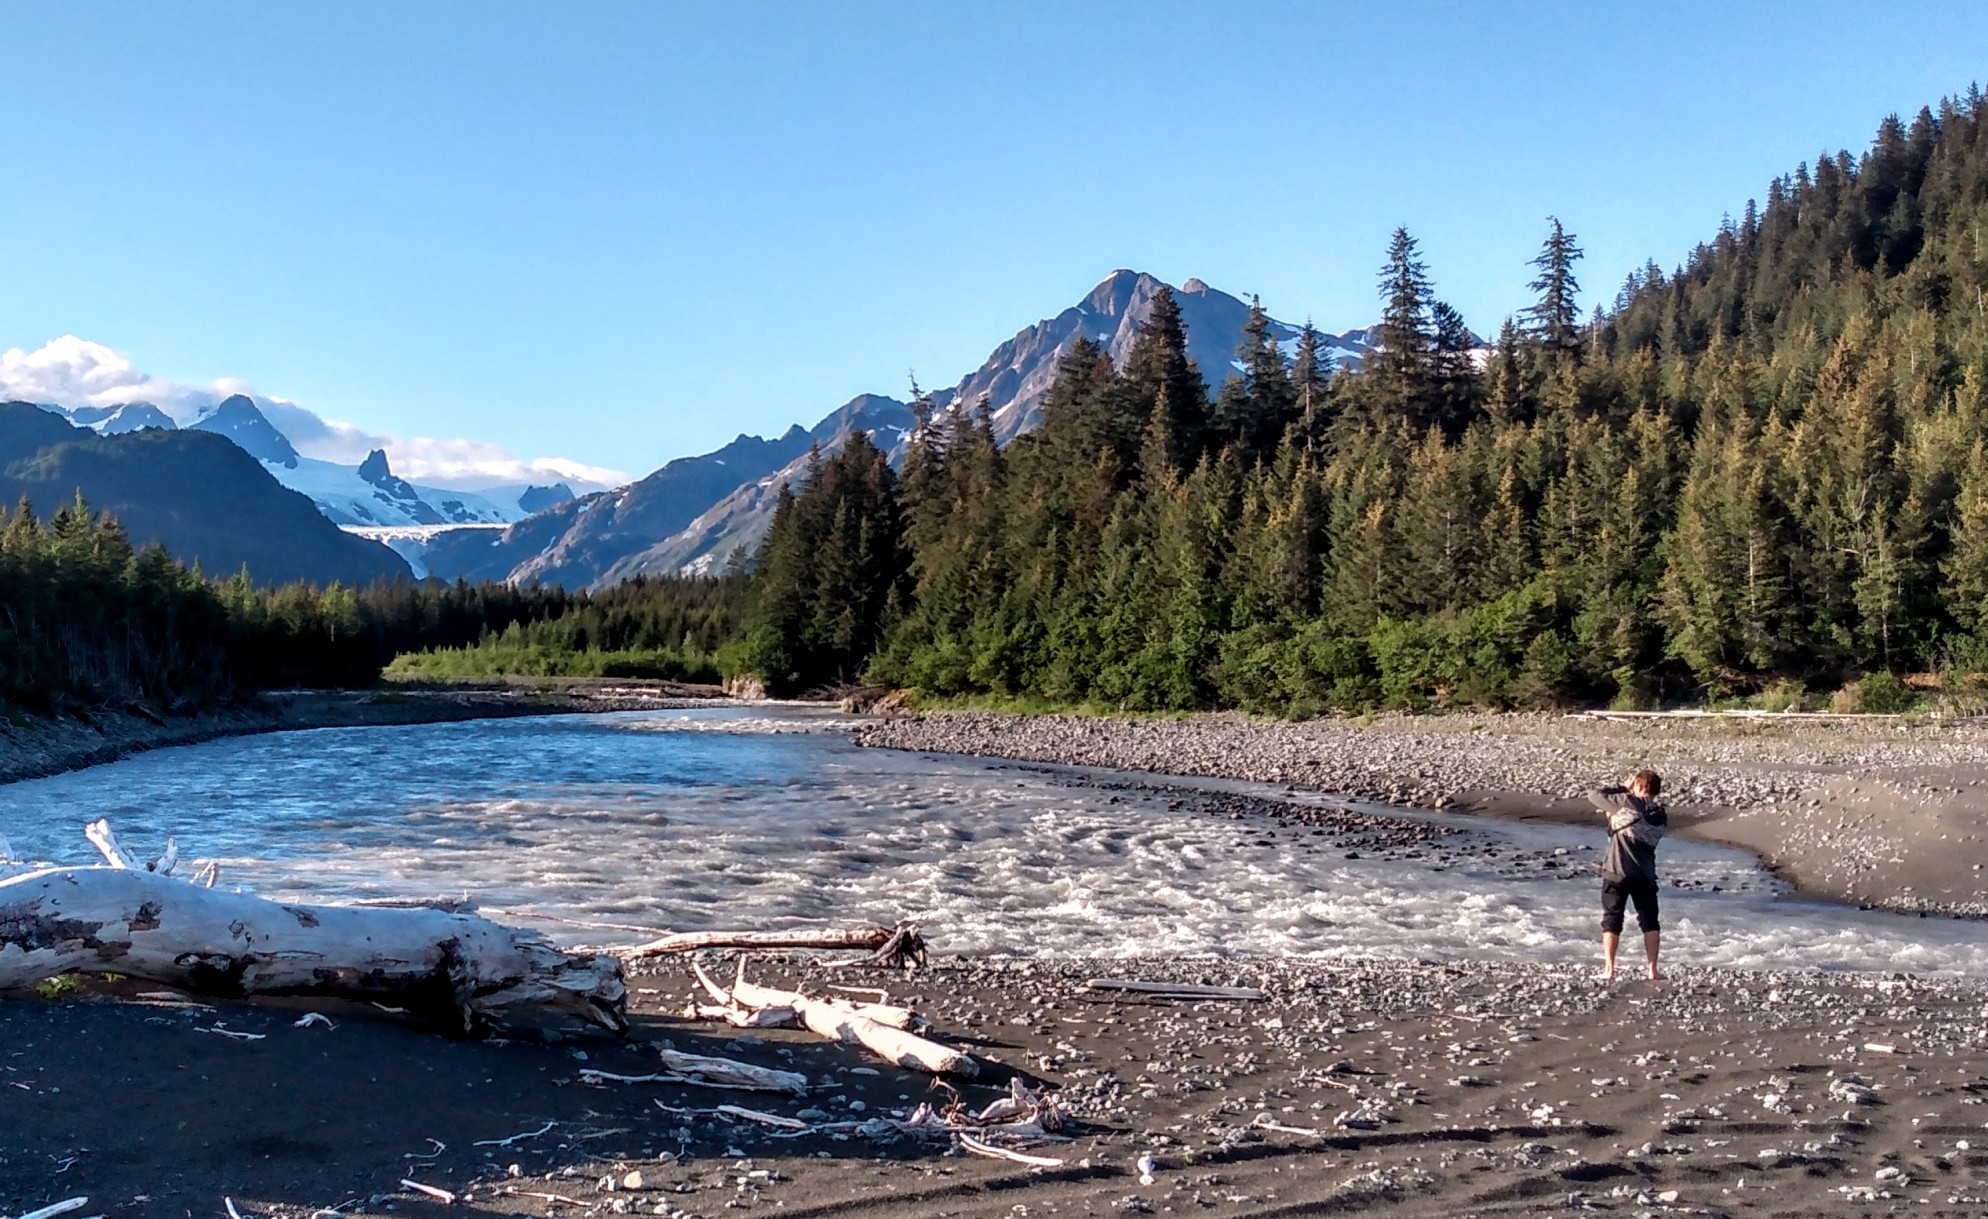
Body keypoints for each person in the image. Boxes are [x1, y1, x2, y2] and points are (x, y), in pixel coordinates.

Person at [1590, 769, 1668, 981]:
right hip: (1645, 874)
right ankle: (1652, 969)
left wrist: (1624, 787)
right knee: (1650, 921)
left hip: (1617, 870)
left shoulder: (1626, 801)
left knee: (1612, 918)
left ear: (1639, 787)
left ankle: (1610, 968)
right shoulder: (1661, 815)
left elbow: (1595, 795)